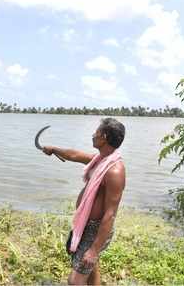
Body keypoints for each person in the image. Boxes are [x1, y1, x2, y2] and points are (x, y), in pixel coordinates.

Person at [42, 118, 126, 285]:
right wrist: (54, 149)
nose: (93, 135)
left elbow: (110, 214)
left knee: (75, 281)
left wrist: (94, 249)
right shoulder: (101, 159)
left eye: (96, 132)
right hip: (86, 223)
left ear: (104, 136)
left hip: (96, 229)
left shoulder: (114, 171)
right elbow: (74, 155)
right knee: (92, 268)